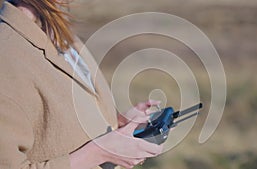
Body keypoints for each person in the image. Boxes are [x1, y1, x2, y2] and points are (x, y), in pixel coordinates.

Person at [0, 0, 163, 169]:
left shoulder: (61, 34)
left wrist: (119, 124)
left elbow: (57, 122)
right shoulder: (6, 54)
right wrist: (99, 152)